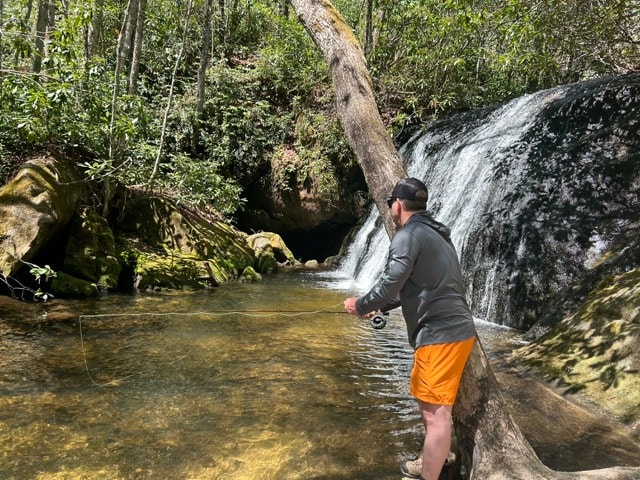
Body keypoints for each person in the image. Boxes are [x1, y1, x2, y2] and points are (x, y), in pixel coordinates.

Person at [343, 177, 476, 480]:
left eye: (391, 202)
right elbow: (419, 287)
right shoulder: (436, 233)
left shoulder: (407, 235)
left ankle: (430, 473)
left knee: (436, 414)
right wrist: (381, 307)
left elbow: (391, 282)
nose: (391, 206)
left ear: (398, 204)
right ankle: (431, 460)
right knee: (426, 401)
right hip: (449, 332)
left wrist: (360, 306)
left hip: (440, 335)